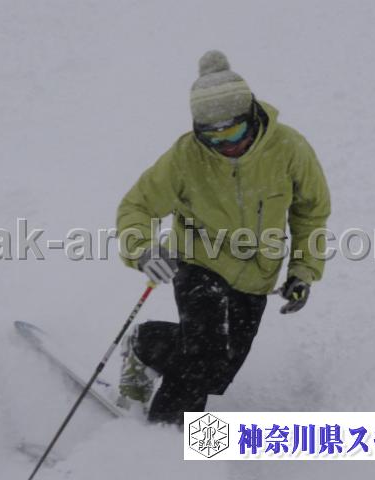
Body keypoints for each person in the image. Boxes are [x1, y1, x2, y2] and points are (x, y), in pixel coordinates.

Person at [116, 50, 331, 425]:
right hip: (198, 261)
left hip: (256, 276)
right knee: (204, 357)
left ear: (252, 115)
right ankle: (165, 440)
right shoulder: (186, 157)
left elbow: (311, 212)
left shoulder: (289, 149)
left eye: (233, 132)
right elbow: (137, 206)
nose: (225, 144)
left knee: (220, 372)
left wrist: (303, 270)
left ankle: (145, 343)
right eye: (212, 137)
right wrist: (143, 249)